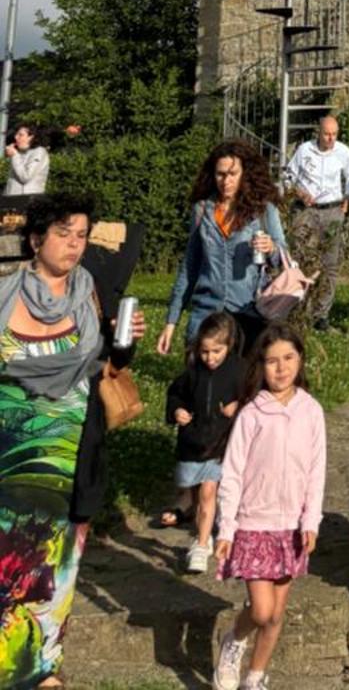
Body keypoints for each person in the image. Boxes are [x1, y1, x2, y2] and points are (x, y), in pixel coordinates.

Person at [0, 191, 144, 690]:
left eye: (82, 235)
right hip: (7, 464)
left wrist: (125, 346)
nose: (75, 244)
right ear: (36, 238)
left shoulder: (91, 295)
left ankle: (42, 672)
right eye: (64, 233)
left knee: (55, 575)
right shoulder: (4, 296)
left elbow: (108, 368)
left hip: (69, 464)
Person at [213, 326, 326, 690]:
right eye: (272, 361)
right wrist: (226, 528)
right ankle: (233, 641)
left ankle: (255, 677)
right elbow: (231, 472)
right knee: (260, 611)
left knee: (276, 614)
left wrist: (311, 521)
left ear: (300, 360)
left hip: (291, 527)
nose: (281, 368)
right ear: (260, 366)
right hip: (252, 523)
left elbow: (316, 470)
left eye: (289, 358)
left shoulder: (311, 411)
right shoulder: (251, 414)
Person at [158, 142, 288, 360]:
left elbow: (284, 258)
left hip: (249, 312)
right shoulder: (202, 211)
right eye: (220, 174)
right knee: (200, 381)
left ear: (244, 174)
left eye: (232, 174)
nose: (226, 181)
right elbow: (189, 268)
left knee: (244, 385)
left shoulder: (263, 210)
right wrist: (171, 322)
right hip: (207, 310)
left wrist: (272, 248)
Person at [163, 311, 245, 572]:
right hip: (194, 442)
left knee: (209, 491)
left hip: (222, 442)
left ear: (229, 345)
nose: (210, 358)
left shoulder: (239, 370)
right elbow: (175, 394)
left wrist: (238, 405)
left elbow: (255, 395)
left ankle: (199, 546)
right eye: (205, 352)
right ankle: (206, 531)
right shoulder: (192, 372)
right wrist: (177, 411)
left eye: (216, 351)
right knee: (199, 494)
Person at [282, 114, 349, 327]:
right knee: (300, 258)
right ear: (319, 132)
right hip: (306, 211)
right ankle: (297, 309)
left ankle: (321, 314)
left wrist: (345, 206)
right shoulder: (305, 150)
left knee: (330, 263)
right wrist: (299, 192)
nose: (330, 138)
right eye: (327, 134)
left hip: (332, 210)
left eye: (334, 134)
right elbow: (288, 176)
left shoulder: (343, 152)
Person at [4, 122, 50, 198]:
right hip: (12, 200)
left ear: (31, 137)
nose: (16, 137)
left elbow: (25, 177)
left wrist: (15, 155)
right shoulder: (19, 153)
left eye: (20, 135)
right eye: (16, 134)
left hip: (26, 201)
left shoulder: (39, 152)